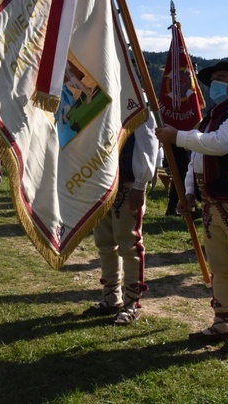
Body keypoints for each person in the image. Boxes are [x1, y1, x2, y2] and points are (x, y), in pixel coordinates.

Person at [156, 60, 228, 356]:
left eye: (221, 78)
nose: (214, 83)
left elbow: (219, 144)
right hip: (214, 201)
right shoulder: (211, 118)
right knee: (220, 268)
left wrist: (177, 137)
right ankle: (222, 322)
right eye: (213, 79)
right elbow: (198, 157)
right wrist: (190, 192)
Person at [84, 113, 158, 325]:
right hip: (100, 181)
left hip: (128, 181)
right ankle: (111, 297)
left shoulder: (136, 103)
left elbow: (147, 143)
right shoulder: (99, 99)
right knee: (105, 242)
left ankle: (131, 302)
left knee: (128, 243)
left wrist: (140, 184)